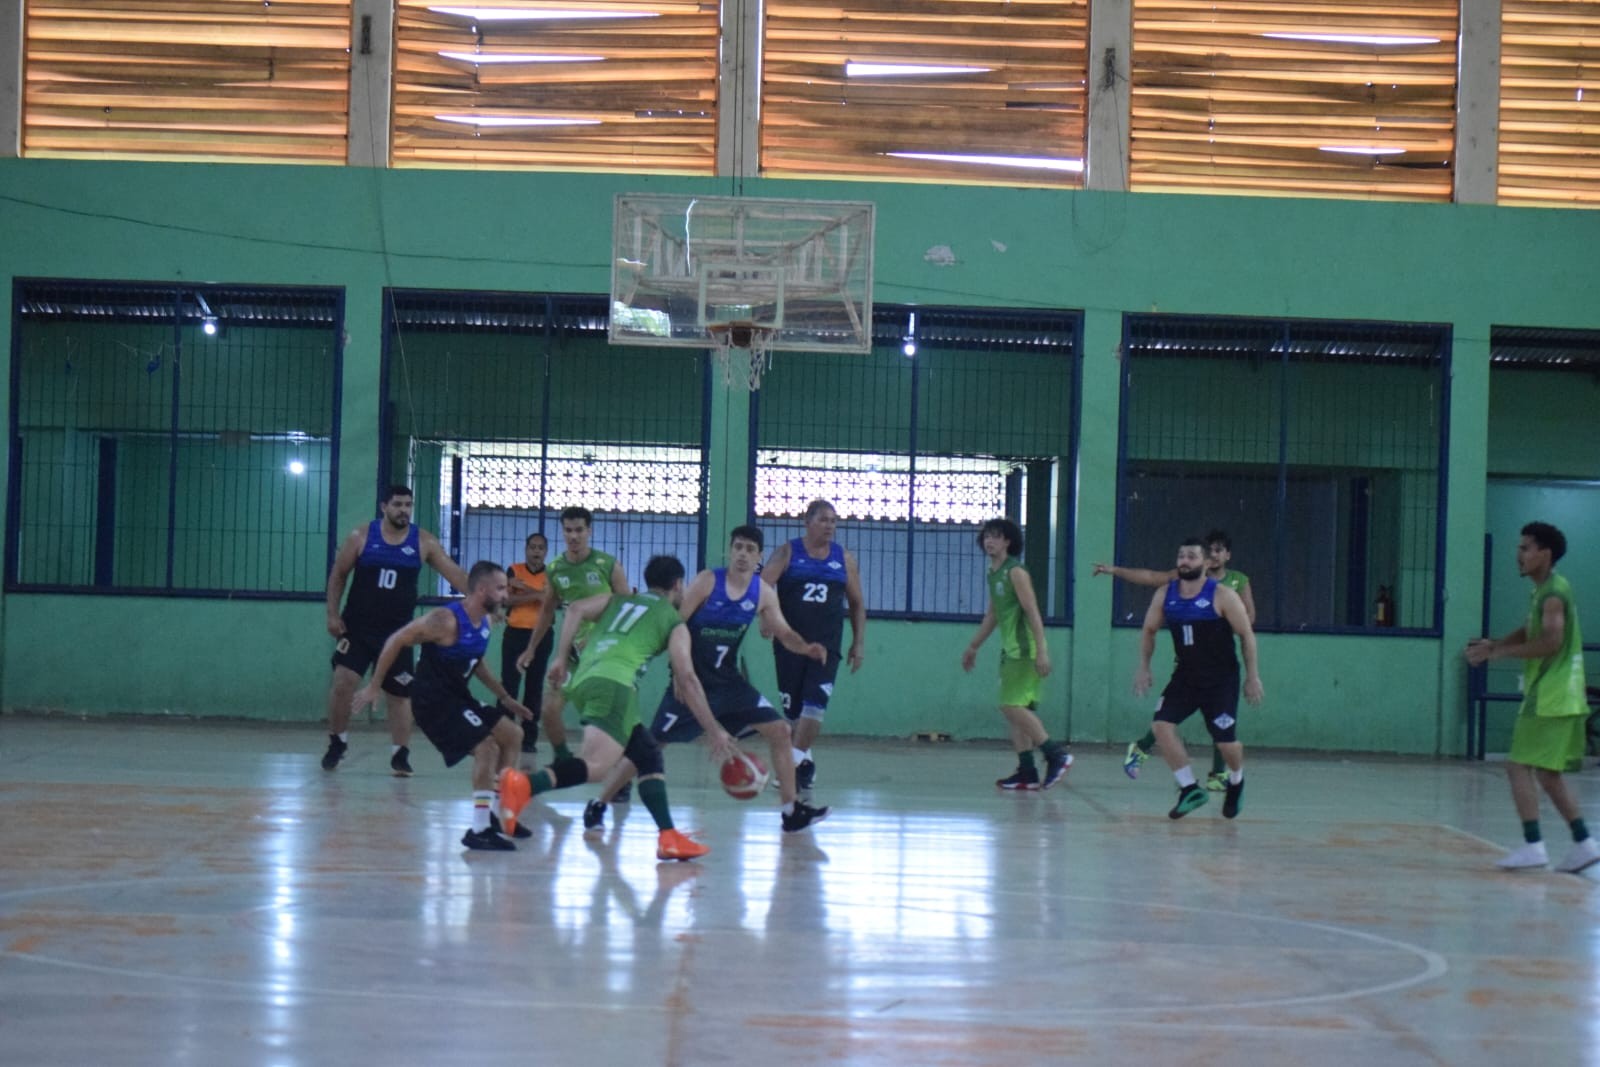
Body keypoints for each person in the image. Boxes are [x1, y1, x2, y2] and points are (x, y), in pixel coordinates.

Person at [585, 526, 833, 835]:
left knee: (781, 730)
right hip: (693, 684)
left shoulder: (763, 592)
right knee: (651, 746)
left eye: (749, 549)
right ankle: (599, 803)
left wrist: (805, 647)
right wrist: (677, 672)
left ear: (758, 557)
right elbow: (676, 624)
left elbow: (783, 632)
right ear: (730, 551)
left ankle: (791, 810)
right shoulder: (707, 582)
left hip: (730, 684)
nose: (742, 553)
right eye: (738, 547)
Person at [529, 555, 736, 861]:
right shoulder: (673, 620)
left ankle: (669, 837)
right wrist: (714, 729)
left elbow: (575, 608)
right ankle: (523, 785)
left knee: (648, 753)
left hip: (585, 679)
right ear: (678, 585)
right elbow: (688, 680)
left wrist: (560, 657)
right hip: (614, 686)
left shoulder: (618, 599)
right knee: (597, 768)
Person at [352, 561, 533, 851]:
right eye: (500, 589)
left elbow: (477, 664)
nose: (505, 596)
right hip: (432, 700)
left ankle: (501, 818)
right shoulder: (444, 620)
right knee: (487, 748)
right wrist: (375, 684)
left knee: (513, 735)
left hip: (458, 696)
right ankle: (479, 829)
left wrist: (505, 698)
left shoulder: (485, 622)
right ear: (482, 589)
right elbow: (397, 639)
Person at [1466, 522, 1597, 873]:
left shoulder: (1554, 593)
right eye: (1519, 547)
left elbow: (1551, 640)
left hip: (1551, 695)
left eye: (1526, 548)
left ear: (1545, 554)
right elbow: (1531, 629)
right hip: (1564, 697)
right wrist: (1496, 643)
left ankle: (1533, 845)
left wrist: (1499, 655)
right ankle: (1584, 843)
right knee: (1548, 775)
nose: (1519, 555)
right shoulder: (1544, 592)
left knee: (1517, 765)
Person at [322, 484, 470, 776]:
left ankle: (400, 754)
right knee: (343, 682)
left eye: (408, 505)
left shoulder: (423, 541)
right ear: (384, 507)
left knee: (400, 695)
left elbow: (455, 574)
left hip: (399, 633)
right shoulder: (361, 536)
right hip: (358, 629)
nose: (404, 510)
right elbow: (338, 575)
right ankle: (337, 742)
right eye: (398, 504)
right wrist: (332, 614)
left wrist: (486, 599)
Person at [1097, 528, 1255, 788]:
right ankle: (1144, 750)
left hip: (1220, 666)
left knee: (1222, 728)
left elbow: (1248, 620)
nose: (1213, 555)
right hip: (1189, 665)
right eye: (1209, 549)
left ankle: (1219, 774)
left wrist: (1227, 625)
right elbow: (1149, 577)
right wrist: (1115, 570)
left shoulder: (1235, 584)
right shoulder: (1177, 583)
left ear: (1226, 556)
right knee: (1167, 720)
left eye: (1218, 550)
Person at [1133, 536, 1264, 820]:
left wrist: (1253, 677)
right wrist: (1144, 667)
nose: (1184, 561)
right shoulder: (1165, 595)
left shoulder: (1222, 595)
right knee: (1161, 726)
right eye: (1181, 556)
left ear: (1206, 563)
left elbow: (1246, 635)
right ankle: (1190, 788)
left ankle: (1237, 780)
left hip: (1221, 679)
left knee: (1226, 743)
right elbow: (1149, 631)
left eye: (1191, 556)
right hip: (1186, 676)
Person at [762, 499, 866, 801]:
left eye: (833, 521)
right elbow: (763, 587)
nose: (830, 526)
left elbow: (857, 604)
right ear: (807, 522)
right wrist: (765, 618)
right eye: (823, 520)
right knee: (793, 712)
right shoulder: (788, 552)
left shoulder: (843, 558)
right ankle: (805, 761)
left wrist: (858, 643)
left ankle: (791, 765)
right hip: (790, 645)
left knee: (814, 706)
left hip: (827, 646)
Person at [962, 517, 1073, 790]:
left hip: (1025, 651)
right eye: (987, 535)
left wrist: (1042, 650)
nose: (990, 540)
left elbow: (1033, 611)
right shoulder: (994, 572)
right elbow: (993, 614)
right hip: (1010, 649)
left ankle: (1055, 754)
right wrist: (974, 645)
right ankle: (1027, 770)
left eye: (996, 536)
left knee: (1009, 705)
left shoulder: (1016, 572)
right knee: (1016, 711)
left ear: (1008, 541)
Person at [517, 506, 631, 768]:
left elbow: (626, 609)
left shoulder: (608, 564)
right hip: (570, 655)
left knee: (604, 720)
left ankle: (619, 773)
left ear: (589, 531)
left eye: (579, 530)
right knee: (548, 709)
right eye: (568, 530)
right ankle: (563, 759)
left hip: (603, 655)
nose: (574, 536)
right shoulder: (556, 568)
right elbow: (547, 610)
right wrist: (532, 648)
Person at [502, 532, 552, 762]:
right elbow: (506, 601)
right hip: (515, 633)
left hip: (541, 636)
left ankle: (529, 739)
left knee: (534, 687)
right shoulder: (513, 571)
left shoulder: (552, 574)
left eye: (540, 548)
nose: (536, 551)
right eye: (532, 547)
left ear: (546, 551)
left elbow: (550, 601)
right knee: (508, 685)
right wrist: (536, 595)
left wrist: (526, 593)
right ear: (526, 549)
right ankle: (503, 733)